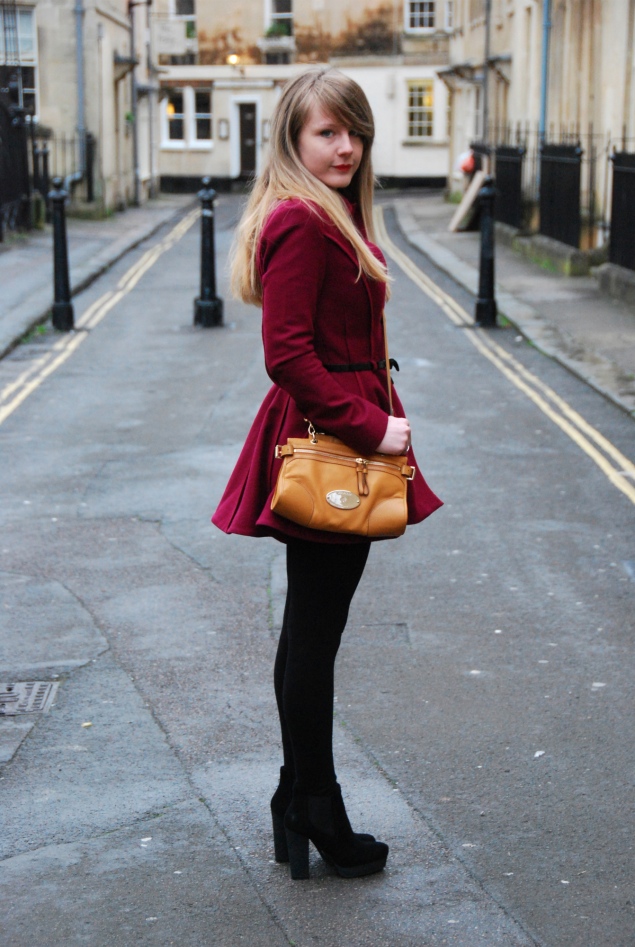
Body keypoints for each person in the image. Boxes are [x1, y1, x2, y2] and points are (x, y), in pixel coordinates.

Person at [212, 67, 442, 880]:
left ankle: (297, 795)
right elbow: (286, 356)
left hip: (337, 433)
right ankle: (317, 805)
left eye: (352, 129)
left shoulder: (327, 211)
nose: (344, 145)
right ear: (292, 139)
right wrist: (373, 425)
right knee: (314, 634)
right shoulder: (305, 222)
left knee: (308, 629)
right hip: (333, 444)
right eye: (325, 131)